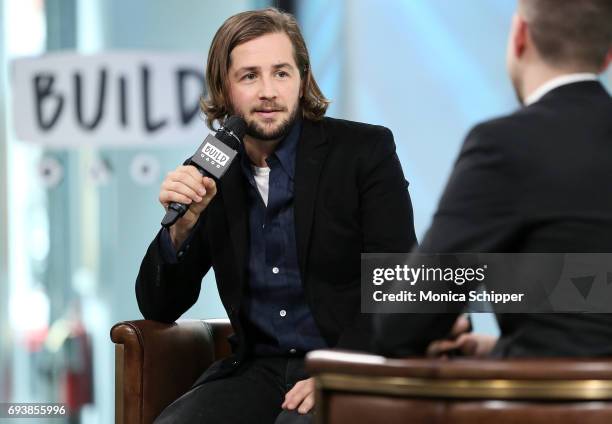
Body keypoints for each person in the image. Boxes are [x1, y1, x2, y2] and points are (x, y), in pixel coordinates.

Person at [135, 8, 417, 423]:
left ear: (302, 81)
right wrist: (181, 228)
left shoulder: (364, 152)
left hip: (350, 363)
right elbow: (159, 307)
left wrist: (344, 367)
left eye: (281, 73)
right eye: (249, 76)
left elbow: (398, 282)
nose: (268, 91)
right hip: (257, 369)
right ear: (225, 88)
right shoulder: (210, 173)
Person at [374, 0, 612, 358]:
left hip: (551, 409)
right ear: (607, 56)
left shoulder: (506, 145)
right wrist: (501, 349)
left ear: (520, 36)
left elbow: (403, 323)